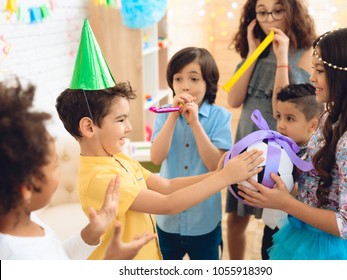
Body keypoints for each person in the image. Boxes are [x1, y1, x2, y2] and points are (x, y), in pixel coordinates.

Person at [55, 19, 263, 260]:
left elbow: (166, 186)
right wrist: (226, 177)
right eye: (121, 120)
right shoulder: (101, 178)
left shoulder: (119, 159)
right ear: (89, 127)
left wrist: (221, 173)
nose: (130, 127)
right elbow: (169, 204)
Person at [239, 25, 347, 259]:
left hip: (331, 250)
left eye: (319, 70)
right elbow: (320, 180)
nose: (312, 78)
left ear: (346, 76)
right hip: (306, 232)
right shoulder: (330, 116)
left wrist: (286, 203)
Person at [0, 79, 156, 260]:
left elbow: (58, 255)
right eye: (55, 167)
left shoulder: (25, 223)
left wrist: (90, 234)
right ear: (26, 188)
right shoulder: (20, 256)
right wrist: (112, 261)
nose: (58, 174)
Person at [225, 0, 317, 260]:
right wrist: (253, 52)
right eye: (262, 12)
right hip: (247, 140)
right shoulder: (253, 54)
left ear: (292, 12)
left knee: (276, 221)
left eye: (278, 11)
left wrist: (282, 58)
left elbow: (281, 106)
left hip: (280, 149)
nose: (270, 19)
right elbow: (233, 100)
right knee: (235, 219)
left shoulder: (306, 54)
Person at [150, 47, 232, 260]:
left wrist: (195, 123)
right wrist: (171, 118)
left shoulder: (220, 117)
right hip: (168, 219)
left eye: (194, 79)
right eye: (178, 79)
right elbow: (156, 158)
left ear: (208, 83)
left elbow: (217, 166)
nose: (185, 86)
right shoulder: (163, 114)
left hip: (204, 219)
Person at [260, 83, 324, 259]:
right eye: (279, 116)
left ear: (312, 125)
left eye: (290, 119)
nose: (280, 125)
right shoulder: (274, 148)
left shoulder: (316, 158)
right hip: (271, 225)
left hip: (298, 233)